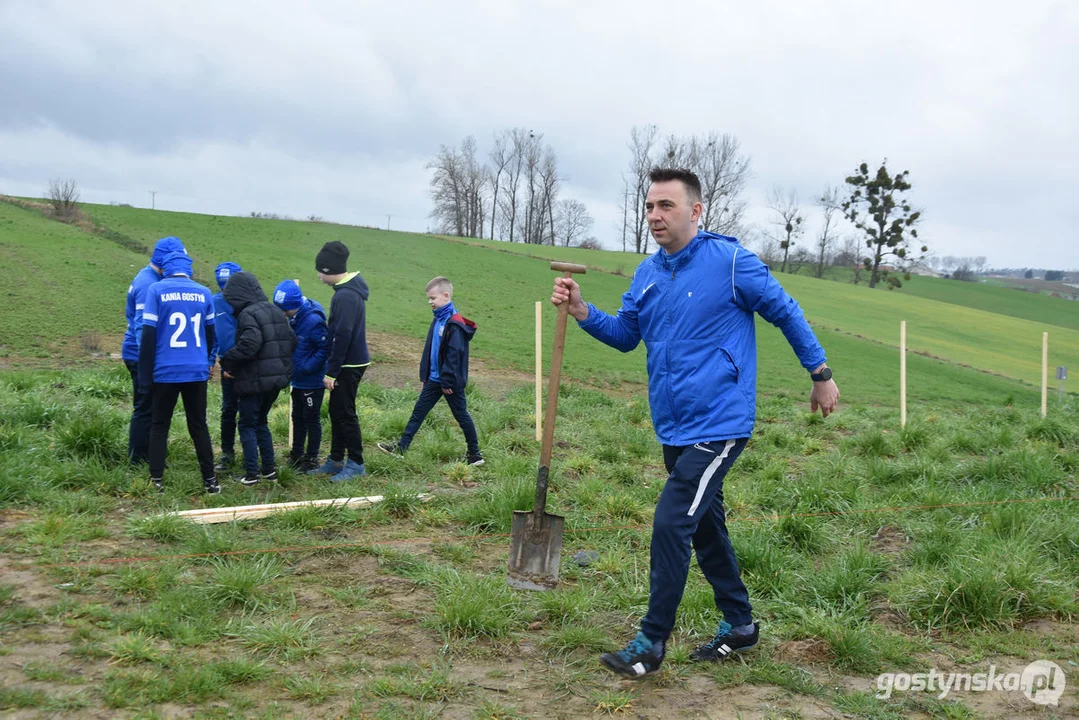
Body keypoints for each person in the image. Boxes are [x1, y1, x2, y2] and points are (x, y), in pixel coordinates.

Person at [551, 168, 840, 678]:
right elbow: (624, 336)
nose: (655, 216)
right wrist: (582, 311)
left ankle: (650, 642)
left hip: (720, 423)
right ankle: (741, 625)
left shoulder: (730, 262)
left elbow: (787, 312)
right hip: (674, 424)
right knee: (705, 529)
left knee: (671, 521)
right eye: (649, 207)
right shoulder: (647, 273)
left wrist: (820, 374)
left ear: (696, 210)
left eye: (666, 205)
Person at [377, 276, 483, 466]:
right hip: (434, 379)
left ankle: (475, 455)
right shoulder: (438, 320)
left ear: (446, 295)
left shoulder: (454, 324)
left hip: (449, 383)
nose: (430, 302)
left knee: (461, 415)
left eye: (432, 298)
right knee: (418, 412)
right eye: (429, 298)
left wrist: (448, 382)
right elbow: (431, 350)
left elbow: (454, 356)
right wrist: (426, 375)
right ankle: (401, 448)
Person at [138, 250, 219, 494]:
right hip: (196, 370)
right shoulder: (204, 292)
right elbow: (210, 333)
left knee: (160, 425)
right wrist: (206, 360)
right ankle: (210, 481)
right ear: (189, 269)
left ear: (166, 269)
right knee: (199, 425)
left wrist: (145, 374)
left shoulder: (157, 290)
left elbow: (149, 335)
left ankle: (157, 480)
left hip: (165, 369)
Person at [219, 271, 297, 486]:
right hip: (276, 381)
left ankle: (251, 474)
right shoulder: (275, 310)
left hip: (253, 381)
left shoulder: (248, 314)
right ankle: (269, 470)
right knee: (261, 422)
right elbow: (292, 340)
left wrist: (228, 361)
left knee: (246, 425)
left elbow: (249, 344)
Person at [307, 240, 371, 483]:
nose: (318, 276)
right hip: (349, 361)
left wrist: (331, 372)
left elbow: (342, 335)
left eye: (319, 271)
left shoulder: (345, 296)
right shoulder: (347, 292)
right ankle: (335, 460)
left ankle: (356, 463)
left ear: (328, 270)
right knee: (336, 411)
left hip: (349, 363)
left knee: (345, 413)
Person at [122, 235, 187, 465]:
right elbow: (142, 327)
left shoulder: (149, 278)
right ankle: (139, 458)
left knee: (152, 406)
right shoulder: (147, 284)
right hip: (141, 356)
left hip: (146, 355)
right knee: (145, 407)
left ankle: (152, 453)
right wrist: (150, 362)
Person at [272, 279, 329, 473]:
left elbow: (325, 348)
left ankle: (311, 458)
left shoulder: (313, 321)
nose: (282, 314)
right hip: (297, 379)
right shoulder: (293, 318)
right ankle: (296, 454)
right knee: (297, 416)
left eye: (284, 310)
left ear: (294, 306)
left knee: (311, 418)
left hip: (312, 380)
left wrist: (306, 367)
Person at [208, 261, 242, 473]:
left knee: (251, 412)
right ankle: (227, 453)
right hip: (226, 366)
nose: (225, 292)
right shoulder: (214, 302)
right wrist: (212, 359)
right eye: (222, 288)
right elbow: (213, 335)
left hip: (248, 365)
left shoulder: (248, 303)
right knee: (228, 409)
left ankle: (253, 455)